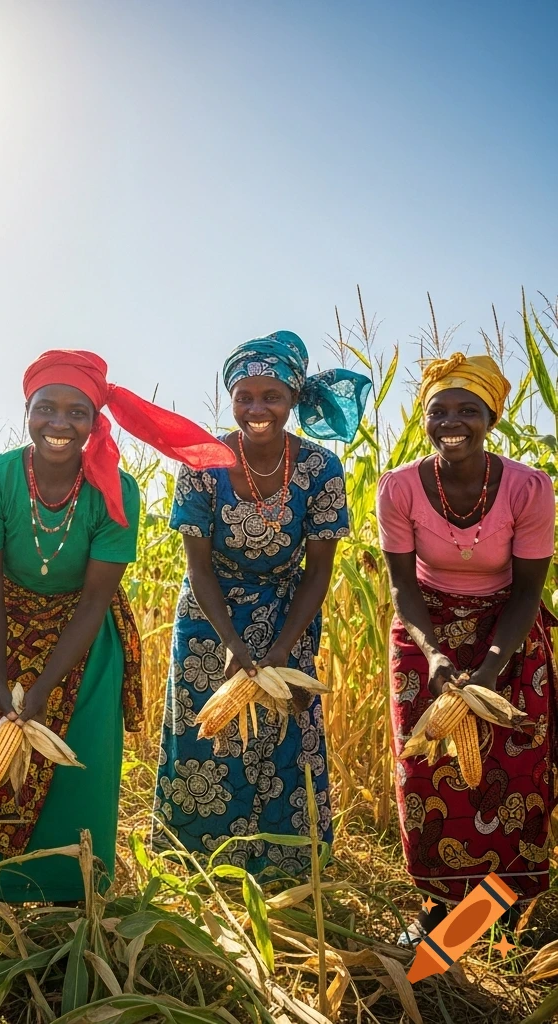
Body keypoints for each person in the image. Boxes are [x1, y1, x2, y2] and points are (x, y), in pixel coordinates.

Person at [0, 349, 235, 903]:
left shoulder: (115, 491)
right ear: (28, 409)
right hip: (4, 630)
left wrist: (42, 688)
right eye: (46, 408)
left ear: (94, 420)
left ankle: (76, 896)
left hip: (86, 643)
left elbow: (92, 601)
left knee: (79, 769)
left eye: (76, 412)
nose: (59, 424)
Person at [153, 331, 371, 876]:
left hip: (287, 611)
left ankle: (284, 868)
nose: (257, 409)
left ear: (294, 398)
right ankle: (201, 865)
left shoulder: (321, 469)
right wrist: (232, 643)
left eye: (271, 396)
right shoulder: (202, 462)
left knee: (286, 734)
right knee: (208, 736)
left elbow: (318, 570)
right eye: (244, 396)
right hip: (209, 617)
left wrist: (280, 648)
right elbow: (197, 567)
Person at [377, 353, 555, 944]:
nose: (452, 421)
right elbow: (404, 584)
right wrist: (434, 656)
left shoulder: (529, 488)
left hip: (506, 628)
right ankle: (439, 911)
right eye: (438, 410)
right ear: (423, 419)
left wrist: (490, 669)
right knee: (428, 771)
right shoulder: (399, 487)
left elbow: (529, 589)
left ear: (491, 419)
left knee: (513, 770)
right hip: (427, 627)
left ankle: (502, 916)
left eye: (468, 410)